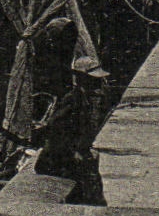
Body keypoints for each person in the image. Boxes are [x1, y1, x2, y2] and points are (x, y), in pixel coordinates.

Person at [33, 57, 110, 205]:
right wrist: (72, 151)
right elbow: (55, 128)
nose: (98, 82)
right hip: (59, 158)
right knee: (88, 186)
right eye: (93, 79)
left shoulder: (86, 99)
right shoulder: (73, 99)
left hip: (72, 155)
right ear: (81, 78)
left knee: (93, 182)